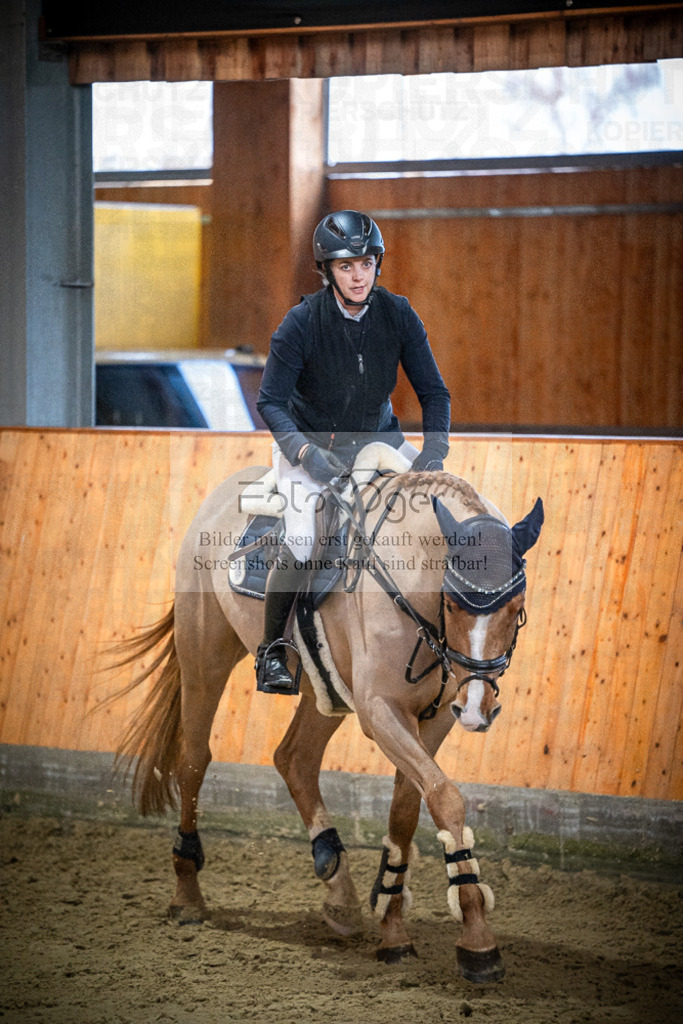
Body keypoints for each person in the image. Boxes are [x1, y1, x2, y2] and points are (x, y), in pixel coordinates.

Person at [254, 209, 451, 694]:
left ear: (376, 264)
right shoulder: (300, 323)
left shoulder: (399, 314)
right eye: (345, 266)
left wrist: (435, 449)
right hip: (312, 447)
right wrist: (302, 455)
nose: (358, 275)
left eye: (365, 263)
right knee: (302, 540)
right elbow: (270, 402)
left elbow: (434, 393)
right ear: (327, 271)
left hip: (380, 443)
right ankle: (272, 651)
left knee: (439, 515)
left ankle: (452, 639)